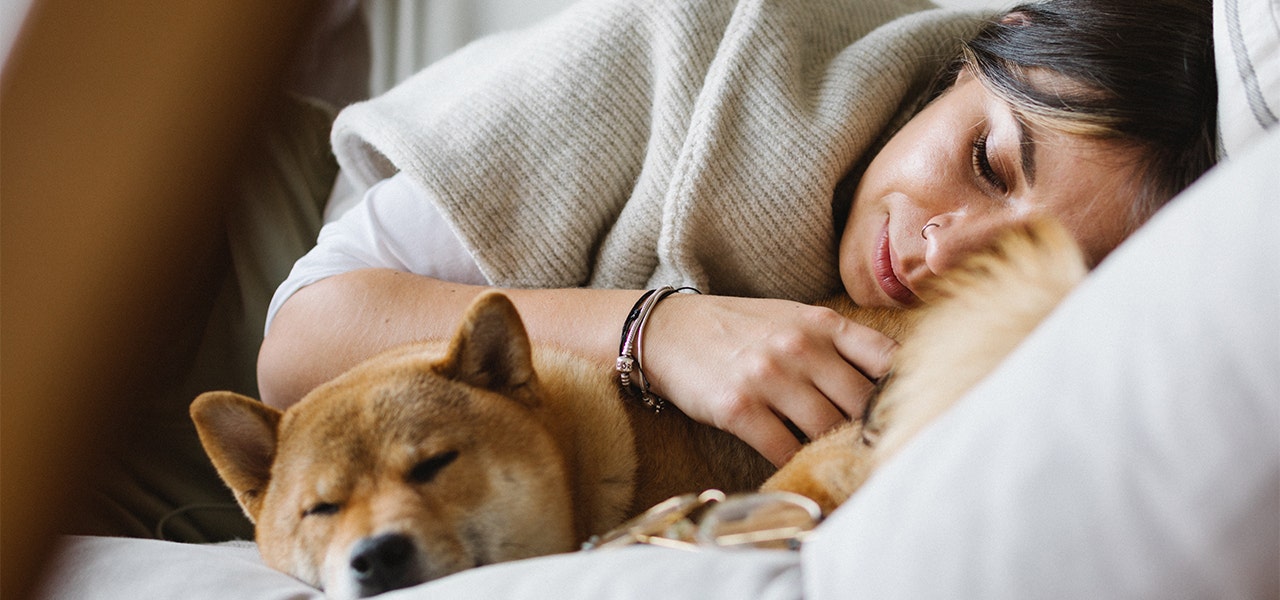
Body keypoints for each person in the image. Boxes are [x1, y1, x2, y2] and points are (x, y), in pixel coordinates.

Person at [258, 0, 1216, 467]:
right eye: (988, 163)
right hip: (213, 284)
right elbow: (299, 346)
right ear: (981, 54)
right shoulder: (695, 41)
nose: (939, 254)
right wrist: (662, 331)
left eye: (1020, 263)